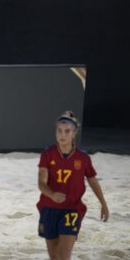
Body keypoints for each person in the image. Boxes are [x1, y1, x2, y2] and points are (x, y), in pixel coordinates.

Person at [37, 111, 109, 260]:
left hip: (72, 209)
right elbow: (41, 183)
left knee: (64, 255)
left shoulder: (83, 158)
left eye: (67, 131)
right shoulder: (47, 154)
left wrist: (103, 203)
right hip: (49, 208)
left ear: (74, 133)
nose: (62, 135)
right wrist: (52, 195)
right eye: (59, 131)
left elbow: (92, 180)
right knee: (54, 255)